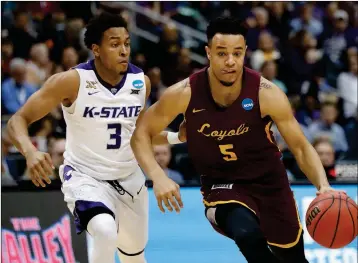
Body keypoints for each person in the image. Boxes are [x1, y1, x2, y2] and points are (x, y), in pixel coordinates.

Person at [130, 17, 345, 263]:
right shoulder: (184, 94)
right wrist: (158, 177)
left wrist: (323, 185)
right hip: (221, 186)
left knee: (294, 259)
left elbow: (300, 146)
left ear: (245, 53)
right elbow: (140, 134)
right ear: (208, 52)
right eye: (222, 53)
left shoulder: (267, 93)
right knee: (248, 235)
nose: (230, 61)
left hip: (270, 184)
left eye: (237, 53)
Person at [7, 12, 185, 263]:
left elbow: (139, 136)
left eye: (126, 43)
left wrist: (178, 136)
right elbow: (17, 121)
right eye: (114, 44)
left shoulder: (140, 82)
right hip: (86, 176)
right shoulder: (72, 81)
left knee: (134, 257)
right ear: (96, 49)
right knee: (103, 231)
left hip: (129, 179)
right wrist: (30, 151)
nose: (124, 50)